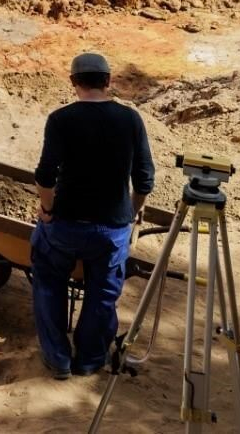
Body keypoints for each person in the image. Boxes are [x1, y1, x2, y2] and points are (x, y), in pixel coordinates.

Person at [30, 52, 155, 379]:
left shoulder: (61, 120)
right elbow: (145, 179)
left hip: (65, 227)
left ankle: (58, 358)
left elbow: (45, 176)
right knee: (103, 294)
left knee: (46, 276)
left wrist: (46, 210)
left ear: (74, 83)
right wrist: (133, 212)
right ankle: (89, 360)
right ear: (108, 81)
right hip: (111, 230)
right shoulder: (131, 120)